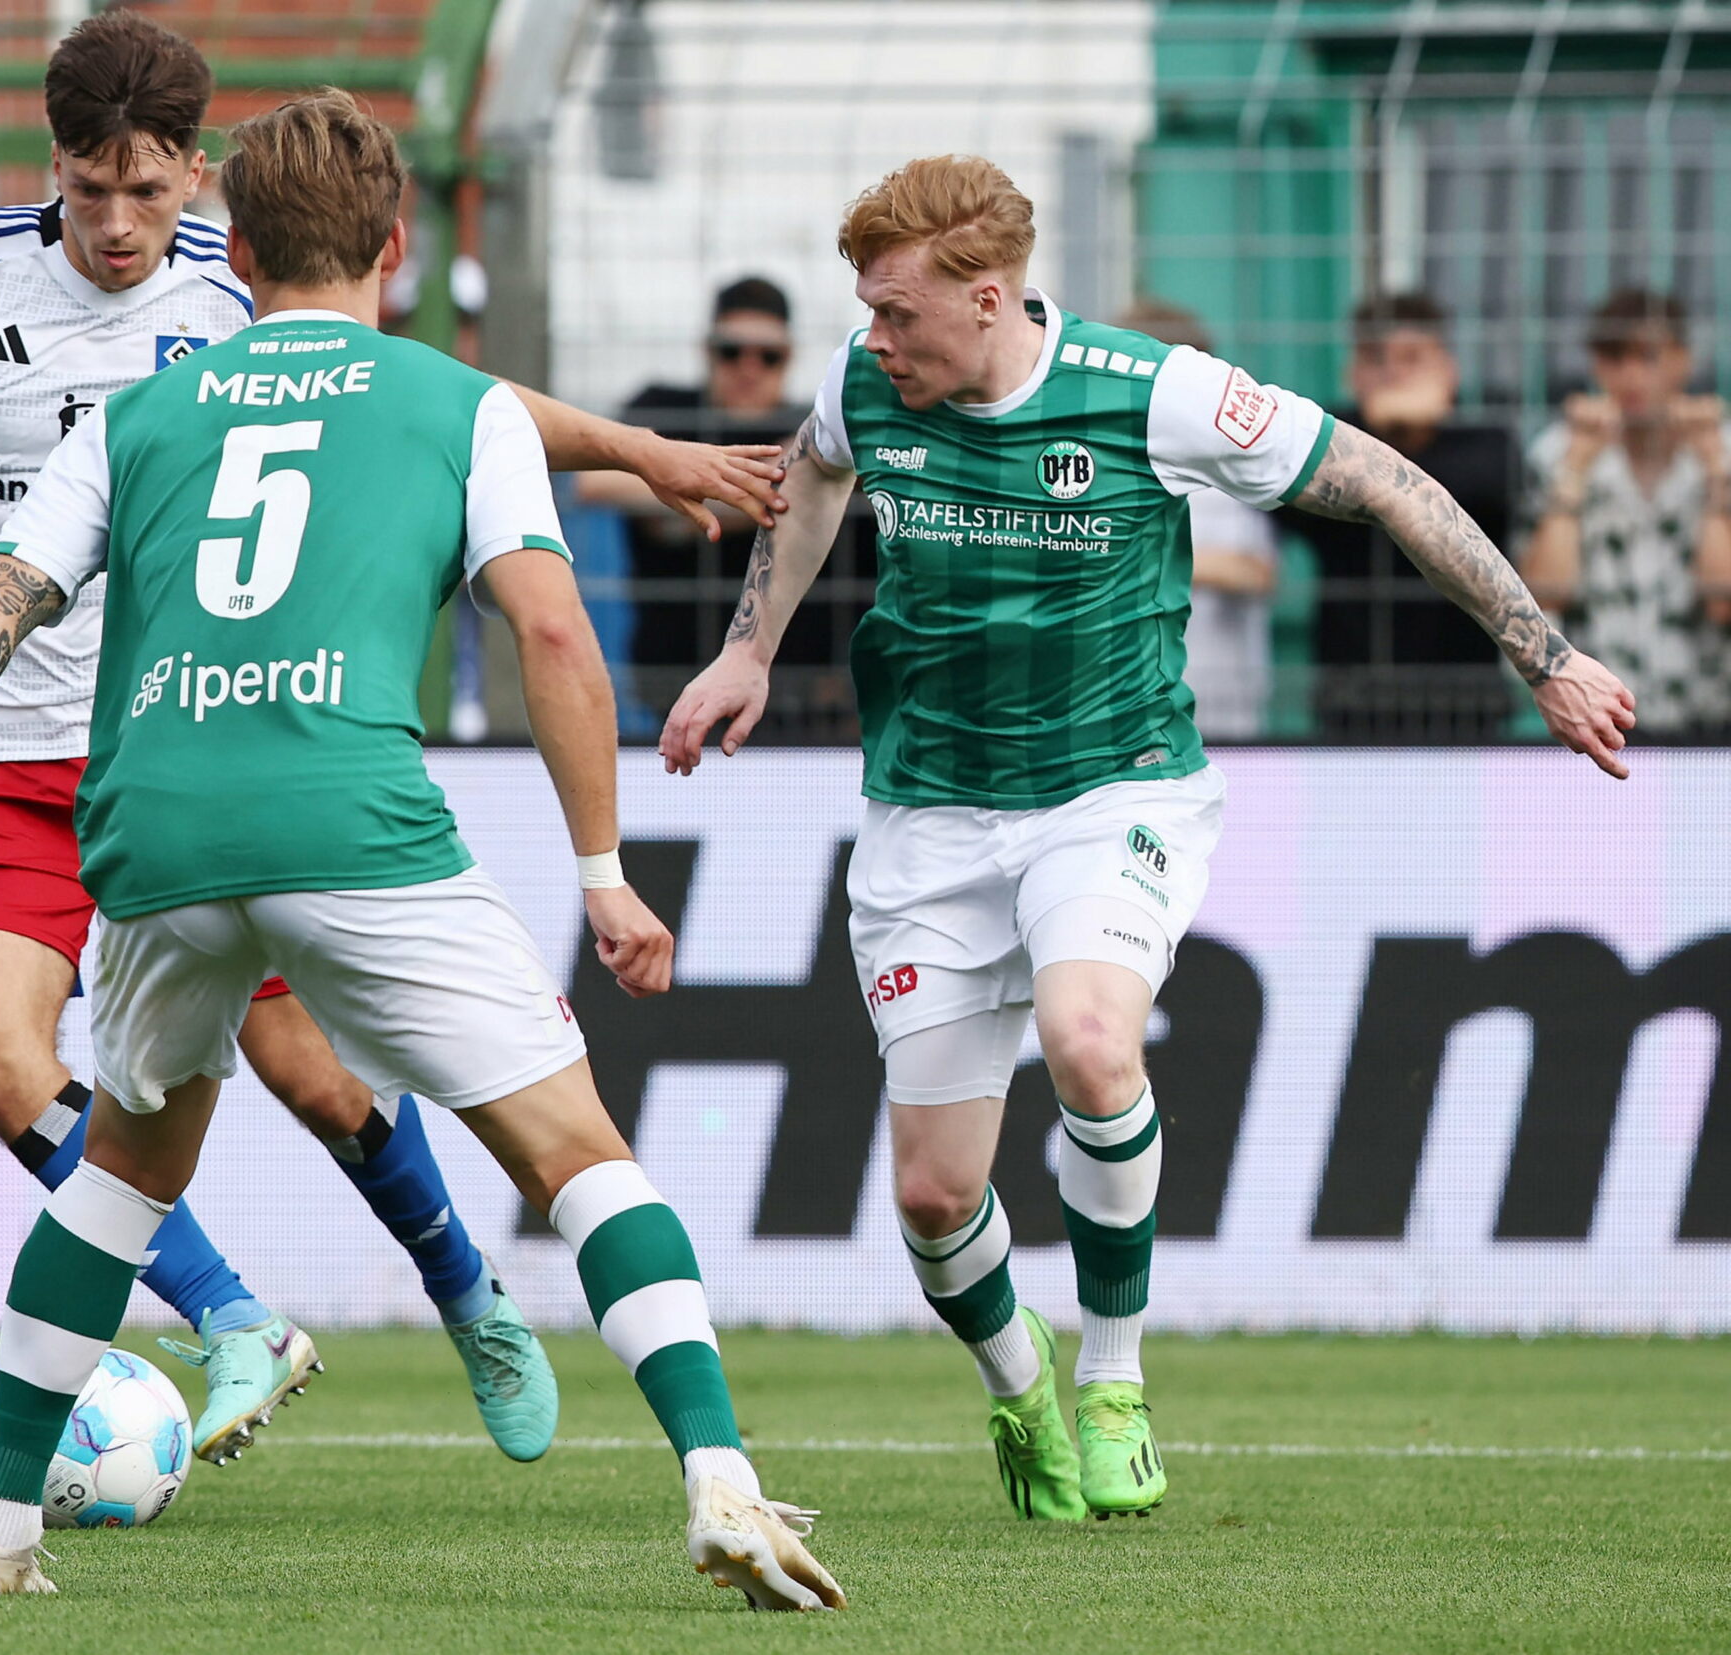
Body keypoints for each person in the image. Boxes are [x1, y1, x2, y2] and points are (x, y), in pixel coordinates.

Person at [0, 11, 774, 1477]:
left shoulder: (246, 282)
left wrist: (641, 450)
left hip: (179, 740)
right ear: (56, 166)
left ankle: (462, 1283)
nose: (123, 222)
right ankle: (229, 1316)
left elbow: (447, 405)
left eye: (152, 192)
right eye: (94, 190)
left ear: (200, 177)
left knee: (325, 1080)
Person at [0, 88, 845, 1611]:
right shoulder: (452, 401)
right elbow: (548, 624)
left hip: (151, 830)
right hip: (347, 817)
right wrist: (604, 871)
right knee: (577, 1153)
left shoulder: (141, 413)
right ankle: (722, 1478)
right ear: (396, 246)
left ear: (243, 244)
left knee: (120, 1178)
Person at [662, 155, 1631, 1525]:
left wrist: (1546, 653)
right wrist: (747, 651)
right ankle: (1021, 1385)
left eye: (899, 312)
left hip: (1111, 791)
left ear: (989, 296)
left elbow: (1390, 483)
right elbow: (817, 477)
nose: (875, 337)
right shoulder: (867, 384)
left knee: (1092, 1039)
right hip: (928, 810)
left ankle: (1115, 1379)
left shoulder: (1154, 393)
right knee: (938, 1197)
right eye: (867, 312)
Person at [1275, 292, 1522, 738]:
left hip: (1466, 703)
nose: (1393, 373)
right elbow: (1285, 498)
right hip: (1350, 703)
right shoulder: (1325, 437)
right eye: (1376, 359)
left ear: (1448, 372)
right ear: (1351, 373)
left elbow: (1481, 491)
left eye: (1412, 358)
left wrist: (1391, 434)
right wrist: (1379, 431)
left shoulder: (1486, 441)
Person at [580, 278, 819, 689]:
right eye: (731, 351)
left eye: (768, 356)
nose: (748, 368)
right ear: (707, 352)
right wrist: (769, 485)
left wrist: (676, 492)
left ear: (789, 356)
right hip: (676, 665)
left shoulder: (811, 423)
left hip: (797, 678)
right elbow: (593, 482)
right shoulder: (664, 407)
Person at [1517, 289, 1731, 733]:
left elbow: (1722, 601)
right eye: (1615, 359)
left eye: (1648, 356)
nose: (1631, 375)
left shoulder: (1723, 451)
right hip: (1597, 717)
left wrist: (1716, 478)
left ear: (1683, 360)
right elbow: (1545, 598)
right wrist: (1572, 473)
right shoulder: (1558, 453)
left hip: (1710, 718)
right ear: (1597, 366)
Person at [1119, 300, 1282, 738]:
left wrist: (1146, 557)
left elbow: (1256, 572)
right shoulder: (1107, 467)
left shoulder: (1224, 470)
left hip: (1222, 713)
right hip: (1128, 717)